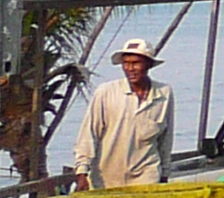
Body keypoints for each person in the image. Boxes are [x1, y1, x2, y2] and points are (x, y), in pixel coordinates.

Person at [71, 38, 174, 189]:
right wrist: (82, 172)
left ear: (148, 65)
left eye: (136, 63)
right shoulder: (106, 92)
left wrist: (165, 173)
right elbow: (89, 134)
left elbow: (166, 138)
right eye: (126, 63)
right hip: (106, 177)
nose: (130, 68)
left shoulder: (163, 93)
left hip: (146, 176)